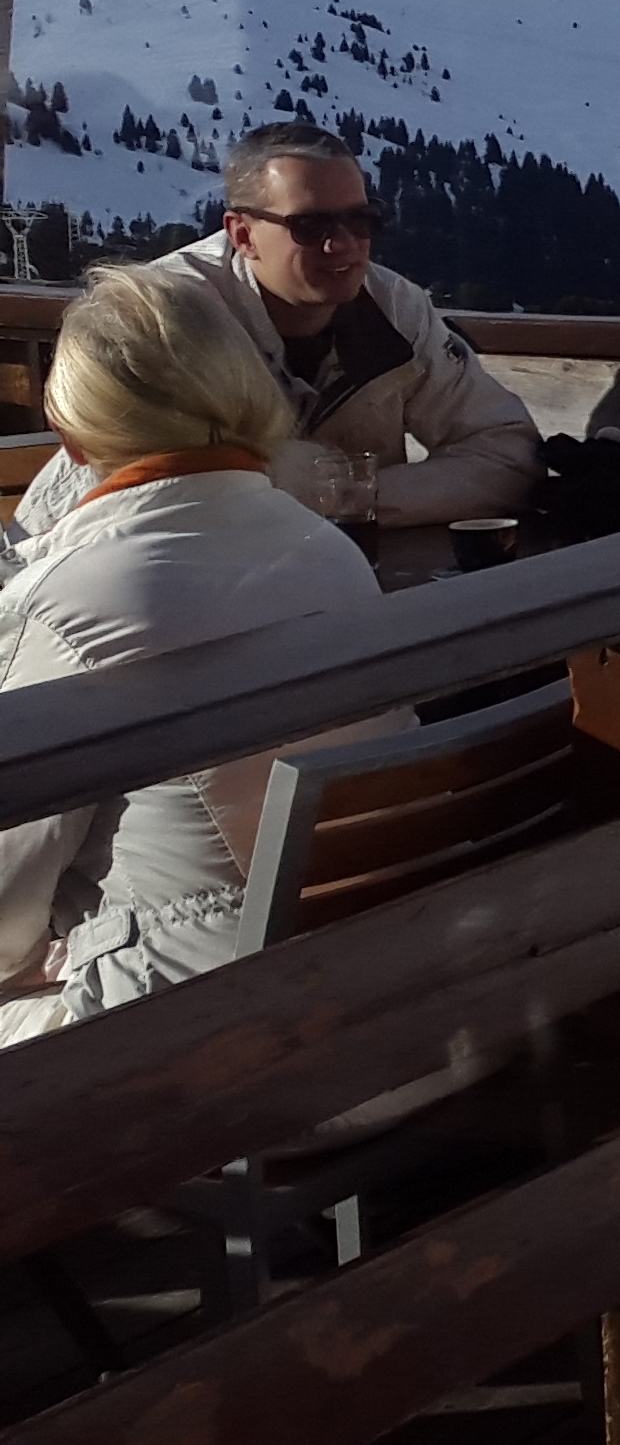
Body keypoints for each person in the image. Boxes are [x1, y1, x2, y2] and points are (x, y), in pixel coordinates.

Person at [0, 264, 389, 1039]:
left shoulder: (70, 599)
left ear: (71, 436)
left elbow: (5, 887)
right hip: (373, 991)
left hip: (202, 1036)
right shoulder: (328, 550)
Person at [9, 125, 535, 564]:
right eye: (310, 225)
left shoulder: (396, 309)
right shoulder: (164, 318)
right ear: (242, 235)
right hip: (102, 569)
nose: (343, 244)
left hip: (306, 579)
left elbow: (508, 455)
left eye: (361, 219)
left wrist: (352, 495)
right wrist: (331, 492)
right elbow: (154, 479)